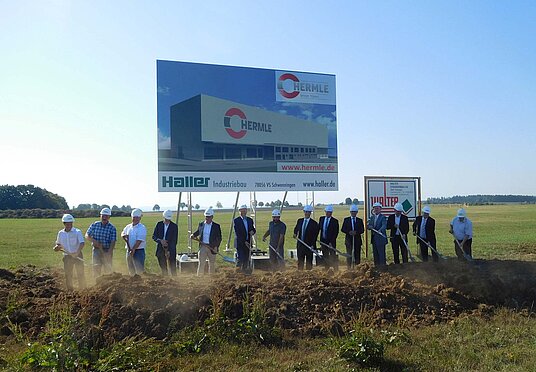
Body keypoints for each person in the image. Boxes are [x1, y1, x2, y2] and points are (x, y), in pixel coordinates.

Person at [54, 214, 86, 290]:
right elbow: (58, 244)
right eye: (67, 223)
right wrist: (57, 247)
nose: (69, 225)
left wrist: (77, 252)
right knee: (68, 275)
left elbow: (82, 243)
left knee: (80, 273)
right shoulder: (60, 233)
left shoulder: (77, 231)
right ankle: (70, 291)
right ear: (64, 223)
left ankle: (83, 289)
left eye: (70, 223)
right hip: (67, 257)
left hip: (77, 255)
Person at [86, 207, 116, 276]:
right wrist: (94, 241)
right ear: (100, 216)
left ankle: (107, 283)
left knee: (108, 269)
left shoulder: (112, 228)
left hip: (107, 250)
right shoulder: (94, 225)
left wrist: (109, 252)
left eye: (106, 216)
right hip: (96, 251)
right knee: (96, 267)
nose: (104, 218)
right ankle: (97, 282)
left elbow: (113, 241)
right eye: (103, 216)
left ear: (109, 217)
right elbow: (87, 235)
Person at [191, 207, 222, 275]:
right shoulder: (201, 224)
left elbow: (219, 238)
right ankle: (199, 277)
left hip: (212, 247)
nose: (207, 218)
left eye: (209, 217)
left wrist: (216, 246)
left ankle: (212, 277)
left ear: (212, 217)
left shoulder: (216, 226)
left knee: (212, 264)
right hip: (203, 247)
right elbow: (198, 232)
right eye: (206, 217)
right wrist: (193, 234)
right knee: (201, 263)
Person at [293, 204, 319, 270]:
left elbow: (315, 236)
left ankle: (309, 275)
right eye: (306, 212)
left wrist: (313, 245)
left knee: (309, 262)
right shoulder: (300, 221)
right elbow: (296, 229)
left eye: (308, 212)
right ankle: (300, 274)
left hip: (309, 246)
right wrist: (295, 233)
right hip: (300, 245)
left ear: (310, 213)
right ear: (304, 212)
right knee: (300, 261)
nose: (307, 213)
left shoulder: (314, 224)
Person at [121, 208, 147, 275]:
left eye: (137, 218)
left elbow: (139, 240)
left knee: (139, 270)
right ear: (132, 217)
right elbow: (123, 234)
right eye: (134, 217)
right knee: (131, 269)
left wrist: (133, 249)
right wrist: (124, 237)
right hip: (129, 250)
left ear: (140, 218)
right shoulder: (128, 227)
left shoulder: (142, 228)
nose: (135, 219)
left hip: (138, 251)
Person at [152, 209, 178, 276]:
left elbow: (174, 240)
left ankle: (175, 281)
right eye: (166, 218)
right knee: (163, 267)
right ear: (163, 217)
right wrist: (160, 241)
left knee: (172, 267)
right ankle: (165, 279)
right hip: (160, 249)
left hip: (171, 249)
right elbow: (154, 236)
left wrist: (168, 250)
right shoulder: (159, 224)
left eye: (168, 219)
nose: (167, 220)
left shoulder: (174, 226)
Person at [341, 204, 365, 269]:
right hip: (349, 241)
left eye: (355, 212)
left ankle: (357, 268)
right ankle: (349, 268)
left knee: (357, 255)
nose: (353, 213)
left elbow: (362, 230)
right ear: (350, 212)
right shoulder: (346, 220)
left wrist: (356, 232)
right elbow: (343, 229)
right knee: (349, 255)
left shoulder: (359, 220)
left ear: (357, 212)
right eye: (352, 212)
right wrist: (349, 232)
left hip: (357, 241)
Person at [233, 204, 256, 273]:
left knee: (246, 258)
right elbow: (237, 233)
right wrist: (244, 241)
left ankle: (245, 272)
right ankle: (238, 271)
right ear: (239, 211)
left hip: (248, 242)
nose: (243, 212)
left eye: (244, 210)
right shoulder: (236, 221)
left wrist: (253, 231)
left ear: (246, 211)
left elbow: (253, 229)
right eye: (241, 210)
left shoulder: (250, 220)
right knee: (241, 258)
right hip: (240, 243)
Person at [318, 205, 339, 270]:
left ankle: (335, 269)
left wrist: (331, 242)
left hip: (331, 242)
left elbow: (335, 233)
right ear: (325, 212)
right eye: (327, 212)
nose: (328, 213)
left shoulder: (335, 221)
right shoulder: (321, 219)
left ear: (332, 213)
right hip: (323, 241)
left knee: (332, 255)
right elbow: (319, 229)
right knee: (325, 255)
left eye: (330, 212)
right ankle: (327, 268)